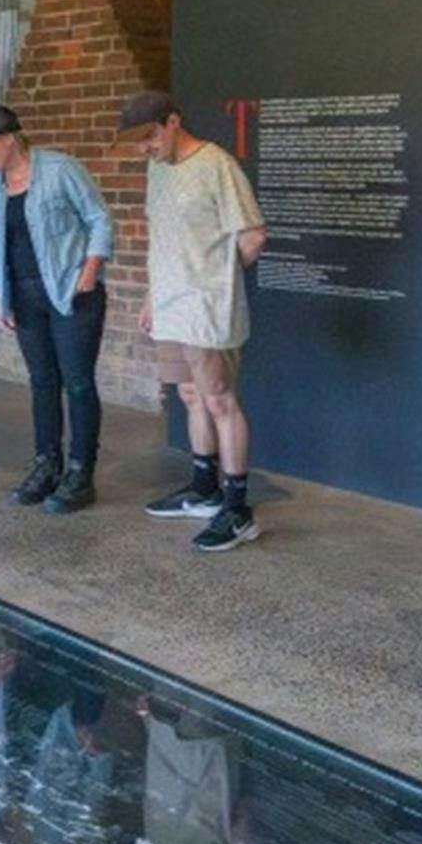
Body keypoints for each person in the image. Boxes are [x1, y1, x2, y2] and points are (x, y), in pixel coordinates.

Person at [121, 91, 269, 552]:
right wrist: (152, 295)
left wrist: (213, 285)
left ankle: (238, 509)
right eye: (138, 142)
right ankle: (203, 489)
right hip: (169, 308)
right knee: (189, 396)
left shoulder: (217, 165)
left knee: (220, 400)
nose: (145, 148)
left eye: (150, 137)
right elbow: (165, 240)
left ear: (173, 122)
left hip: (206, 311)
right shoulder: (157, 170)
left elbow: (253, 235)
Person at [0, 104, 114, 513]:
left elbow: (99, 219)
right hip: (24, 294)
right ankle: (46, 464)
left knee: (79, 383)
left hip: (71, 291)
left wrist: (91, 270)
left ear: (8, 138)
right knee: (42, 382)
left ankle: (81, 472)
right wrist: (0, 292)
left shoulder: (60, 169)